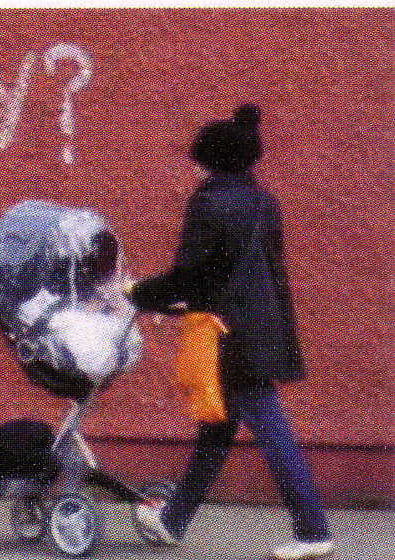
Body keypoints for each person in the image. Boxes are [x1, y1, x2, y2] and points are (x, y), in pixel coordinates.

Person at [124, 104, 335, 560]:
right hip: (262, 328)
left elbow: (190, 277)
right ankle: (173, 520)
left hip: (226, 335)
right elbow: (252, 271)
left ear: (210, 156)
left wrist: (137, 292)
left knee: (270, 429)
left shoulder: (209, 202)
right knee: (216, 429)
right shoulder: (264, 201)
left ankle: (313, 530)